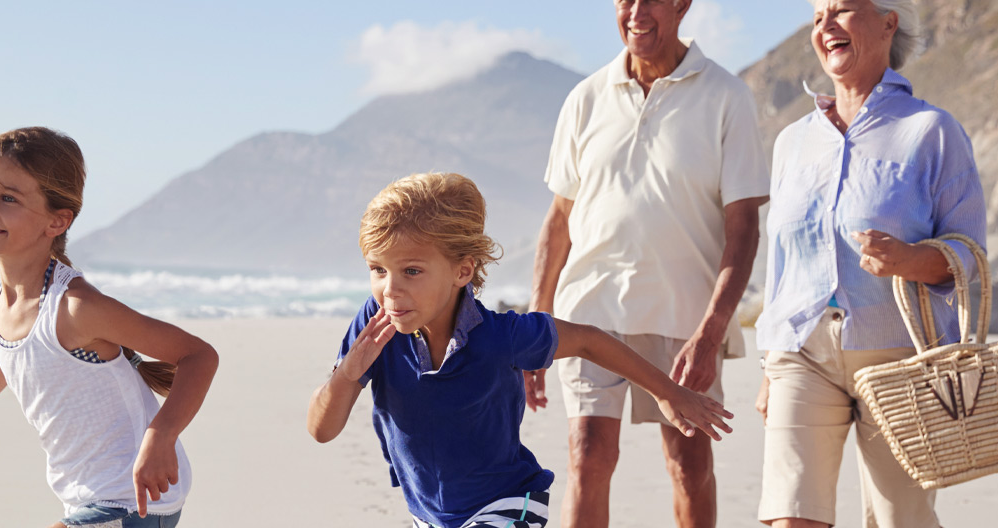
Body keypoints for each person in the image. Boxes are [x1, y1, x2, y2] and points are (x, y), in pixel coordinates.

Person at [306, 172, 734, 528]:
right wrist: (345, 375)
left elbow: (587, 338)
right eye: (377, 270)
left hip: (509, 505)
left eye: (411, 271)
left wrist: (667, 392)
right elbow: (321, 430)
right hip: (429, 516)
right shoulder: (376, 323)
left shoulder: (502, 336)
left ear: (463, 270)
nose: (391, 289)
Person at [0, 127, 219, 528]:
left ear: (57, 220)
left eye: (8, 198)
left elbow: (198, 355)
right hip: (84, 496)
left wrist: (161, 436)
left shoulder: (75, 307)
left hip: (132, 498)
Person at [525, 0, 769, 528]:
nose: (637, 15)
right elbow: (559, 220)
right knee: (587, 456)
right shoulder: (585, 99)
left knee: (688, 463)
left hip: (684, 317)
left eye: (652, 1)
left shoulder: (726, 97)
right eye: (625, 0)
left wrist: (712, 333)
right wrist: (534, 324)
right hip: (589, 312)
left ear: (683, 2)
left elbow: (743, 230)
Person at [753, 0, 986, 528]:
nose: (825, 26)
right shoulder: (792, 142)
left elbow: (969, 260)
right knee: (790, 515)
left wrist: (909, 259)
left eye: (843, 11)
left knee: (898, 519)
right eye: (817, 17)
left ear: (888, 23)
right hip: (802, 353)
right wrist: (769, 363)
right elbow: (779, 264)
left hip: (900, 354)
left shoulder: (931, 131)